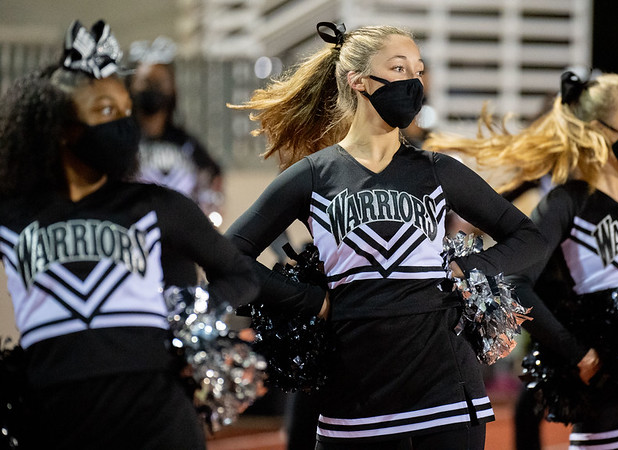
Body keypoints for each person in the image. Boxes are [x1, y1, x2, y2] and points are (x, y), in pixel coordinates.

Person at [225, 21, 541, 449]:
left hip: (445, 389)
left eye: (418, 70)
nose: (412, 82)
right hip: (356, 395)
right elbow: (228, 257)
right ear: (358, 80)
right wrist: (308, 300)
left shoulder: (436, 170)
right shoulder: (314, 176)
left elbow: (528, 236)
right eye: (398, 68)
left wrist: (472, 267)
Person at [426, 71, 618, 449]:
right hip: (614, 377)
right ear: (598, 131)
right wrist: (576, 352)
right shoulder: (565, 203)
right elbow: (515, 280)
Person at [0, 20, 260, 449]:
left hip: (156, 422)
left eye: (125, 112)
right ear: (62, 127)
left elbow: (240, 273)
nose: (124, 124)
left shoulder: (158, 205)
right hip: (54, 422)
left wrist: (187, 309)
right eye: (105, 111)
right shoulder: (12, 213)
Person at [128, 37, 225, 229]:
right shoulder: (120, 142)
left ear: (172, 87)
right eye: (146, 81)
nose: (152, 89)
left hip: (180, 242)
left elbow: (213, 181)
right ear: (131, 85)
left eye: (159, 82)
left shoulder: (187, 144)